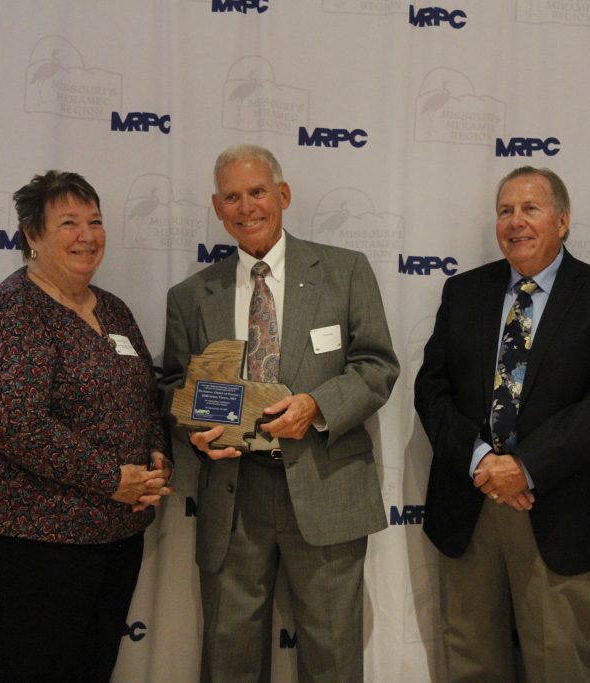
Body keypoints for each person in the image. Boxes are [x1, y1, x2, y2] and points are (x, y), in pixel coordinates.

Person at [160, 145, 398, 683]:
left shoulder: (345, 271)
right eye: (232, 197)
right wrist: (195, 432)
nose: (247, 207)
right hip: (233, 493)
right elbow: (175, 385)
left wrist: (316, 407)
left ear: (283, 196)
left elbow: (377, 365)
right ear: (218, 208)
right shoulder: (192, 295)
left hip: (324, 484)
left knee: (334, 657)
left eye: (258, 192)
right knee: (229, 660)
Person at [414, 166, 590, 682]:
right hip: (472, 504)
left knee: (561, 659)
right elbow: (431, 390)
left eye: (530, 209)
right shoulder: (463, 293)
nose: (515, 222)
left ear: (562, 221)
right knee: (472, 658)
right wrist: (481, 462)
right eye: (505, 211)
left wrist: (524, 466)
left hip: (563, 507)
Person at [0, 170, 174, 682]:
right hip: (29, 528)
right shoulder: (12, 310)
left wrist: (156, 457)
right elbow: (10, 421)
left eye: (95, 221)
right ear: (33, 236)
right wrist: (113, 479)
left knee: (92, 666)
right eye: (68, 223)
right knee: (36, 668)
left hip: (113, 526)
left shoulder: (111, 308)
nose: (86, 235)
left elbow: (141, 394)